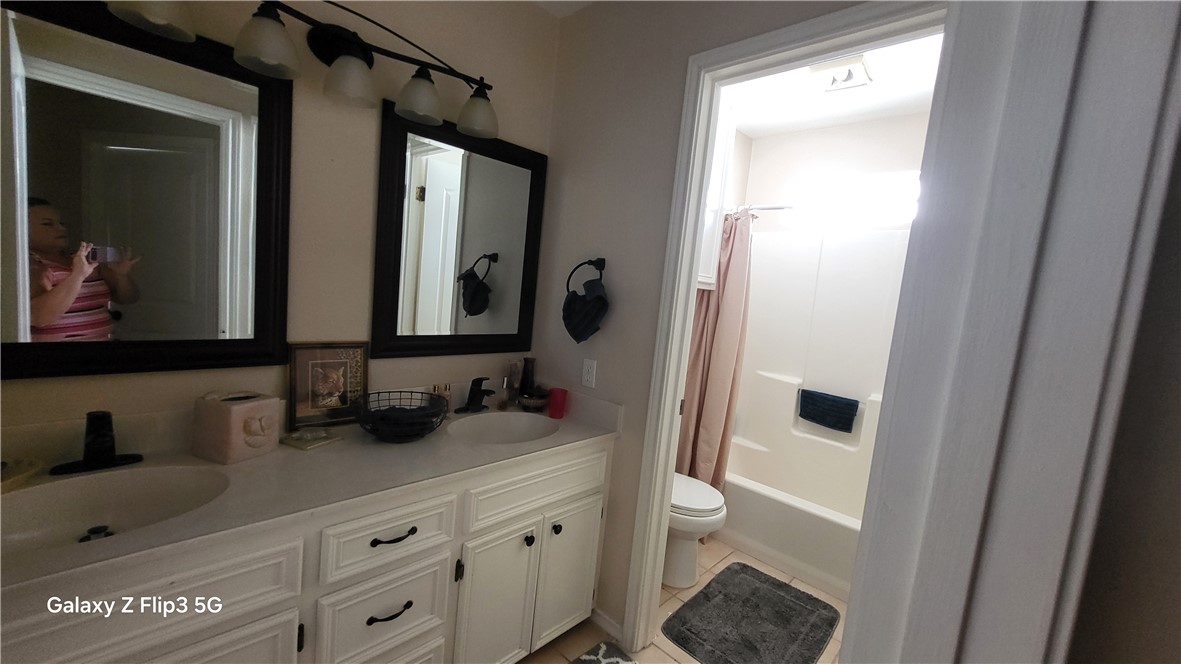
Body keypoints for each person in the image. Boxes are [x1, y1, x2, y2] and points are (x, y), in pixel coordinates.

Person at [27, 197, 140, 341]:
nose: (61, 228)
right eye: (47, 224)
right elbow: (39, 317)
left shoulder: (85, 260)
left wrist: (121, 276)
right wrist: (77, 276)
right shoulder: (32, 265)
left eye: (61, 223)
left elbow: (128, 299)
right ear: (23, 228)